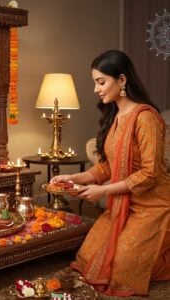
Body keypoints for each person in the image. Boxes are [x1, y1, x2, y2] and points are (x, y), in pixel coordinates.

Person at [51, 50, 170, 296]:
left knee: (121, 270)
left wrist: (103, 191)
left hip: (153, 205)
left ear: (123, 80)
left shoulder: (146, 117)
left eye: (101, 82)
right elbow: (107, 167)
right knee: (88, 258)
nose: (96, 89)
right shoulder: (115, 118)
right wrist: (72, 178)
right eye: (95, 82)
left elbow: (150, 174)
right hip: (123, 201)